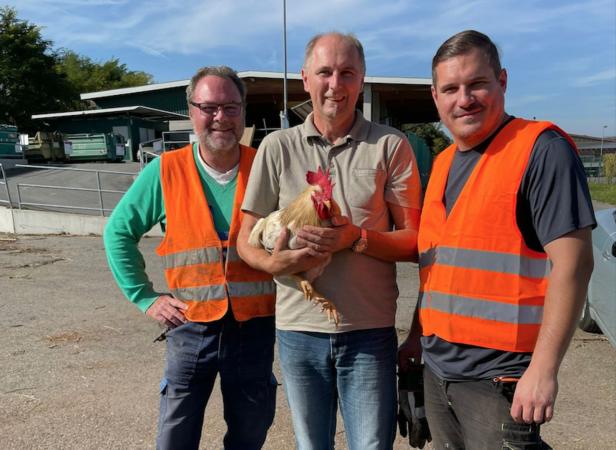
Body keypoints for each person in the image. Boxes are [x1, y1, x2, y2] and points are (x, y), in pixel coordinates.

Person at [399, 30, 596, 449]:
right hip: (439, 370)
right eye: (450, 89)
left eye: (477, 84)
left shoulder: (542, 150)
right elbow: (437, 267)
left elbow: (574, 265)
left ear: (502, 82)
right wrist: (416, 335)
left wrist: (543, 370)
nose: (464, 98)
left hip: (498, 377)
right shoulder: (444, 161)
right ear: (436, 97)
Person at [237, 32, 422, 450]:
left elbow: (414, 242)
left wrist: (353, 238)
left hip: (368, 331)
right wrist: (274, 264)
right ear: (305, 78)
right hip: (298, 331)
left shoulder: (390, 145)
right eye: (325, 72)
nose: (335, 84)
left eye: (347, 73)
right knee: (310, 445)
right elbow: (245, 239)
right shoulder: (276, 147)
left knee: (371, 446)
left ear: (361, 80)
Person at [103, 66, 277, 450]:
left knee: (250, 432)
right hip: (190, 327)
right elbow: (117, 233)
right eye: (209, 107)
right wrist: (146, 298)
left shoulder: (266, 166)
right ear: (191, 111)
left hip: (255, 328)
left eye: (231, 107)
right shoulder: (164, 172)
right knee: (176, 435)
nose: (220, 118)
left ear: (244, 111)